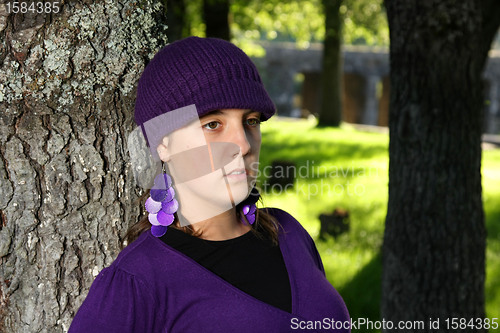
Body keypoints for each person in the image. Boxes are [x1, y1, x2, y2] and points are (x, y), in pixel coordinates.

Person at [69, 36, 350, 332]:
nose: (242, 144)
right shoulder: (137, 283)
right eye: (212, 124)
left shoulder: (290, 234)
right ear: (162, 143)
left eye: (251, 121)